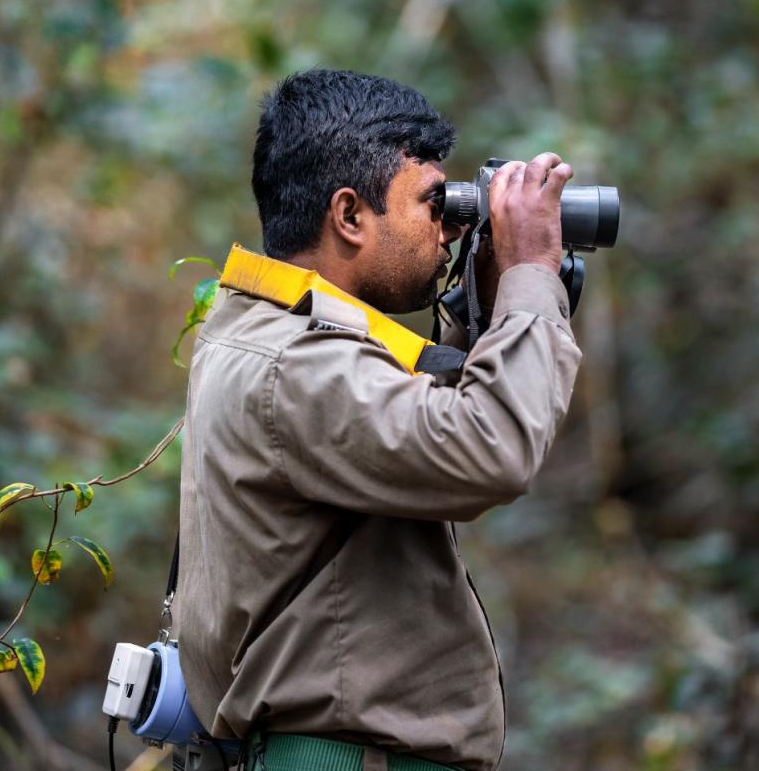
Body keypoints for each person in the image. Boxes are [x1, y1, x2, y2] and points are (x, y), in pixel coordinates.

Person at [175, 69, 583, 771]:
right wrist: (531, 274)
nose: (449, 229)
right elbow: (491, 448)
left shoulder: (268, 338)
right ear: (350, 216)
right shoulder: (295, 369)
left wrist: (480, 309)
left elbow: (413, 422)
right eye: (432, 203)